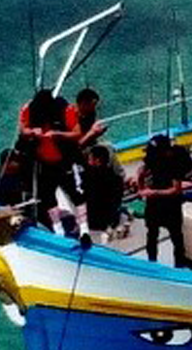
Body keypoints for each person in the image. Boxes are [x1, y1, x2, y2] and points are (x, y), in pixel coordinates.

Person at [18, 88, 89, 240]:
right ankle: (58, 230)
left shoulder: (65, 109)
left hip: (65, 159)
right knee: (48, 196)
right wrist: (32, 132)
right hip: (44, 161)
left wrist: (58, 134)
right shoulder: (28, 109)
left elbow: (77, 133)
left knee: (75, 193)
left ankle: (84, 229)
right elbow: (23, 129)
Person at [138, 134, 192, 266]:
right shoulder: (150, 159)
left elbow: (176, 189)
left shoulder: (174, 162)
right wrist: (141, 183)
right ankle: (151, 263)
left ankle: (179, 266)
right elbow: (141, 177)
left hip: (171, 203)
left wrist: (154, 192)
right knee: (152, 234)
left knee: (176, 236)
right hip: (154, 202)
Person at [81, 145, 126, 241]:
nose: (88, 161)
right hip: (112, 218)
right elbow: (118, 197)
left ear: (97, 161)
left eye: (90, 159)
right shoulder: (116, 178)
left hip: (94, 221)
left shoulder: (88, 176)